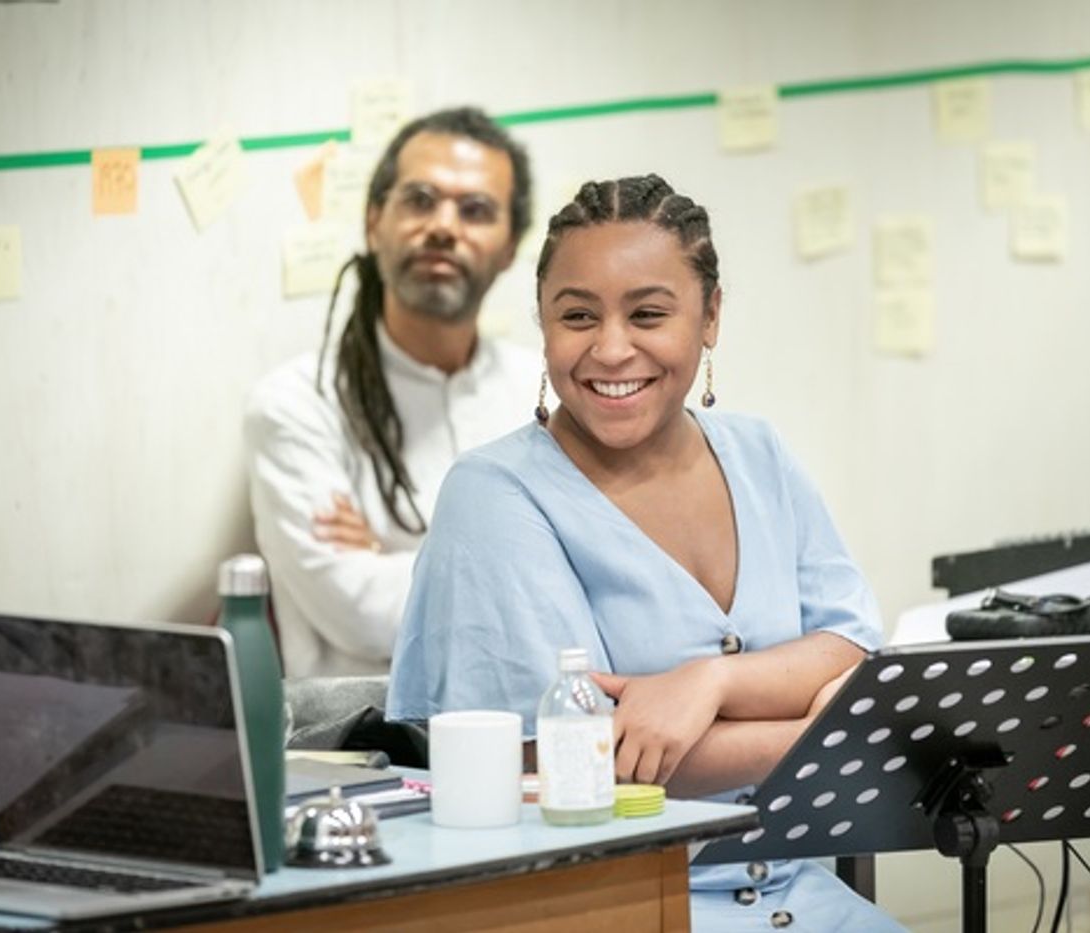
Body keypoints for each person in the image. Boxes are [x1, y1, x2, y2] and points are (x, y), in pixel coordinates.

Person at [387, 175, 904, 931]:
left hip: (796, 892)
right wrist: (807, 732)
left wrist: (709, 683)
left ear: (711, 316)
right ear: (542, 323)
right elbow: (565, 758)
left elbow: (852, 649)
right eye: (577, 316)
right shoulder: (494, 495)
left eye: (649, 313)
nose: (611, 348)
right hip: (618, 903)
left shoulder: (760, 455)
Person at [244, 108, 537, 677]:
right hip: (364, 747)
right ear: (374, 221)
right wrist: (525, 571)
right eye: (420, 200)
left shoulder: (545, 395)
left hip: (530, 726)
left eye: (475, 210)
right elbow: (357, 612)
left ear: (509, 248)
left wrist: (393, 558)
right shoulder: (296, 406)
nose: (444, 226)